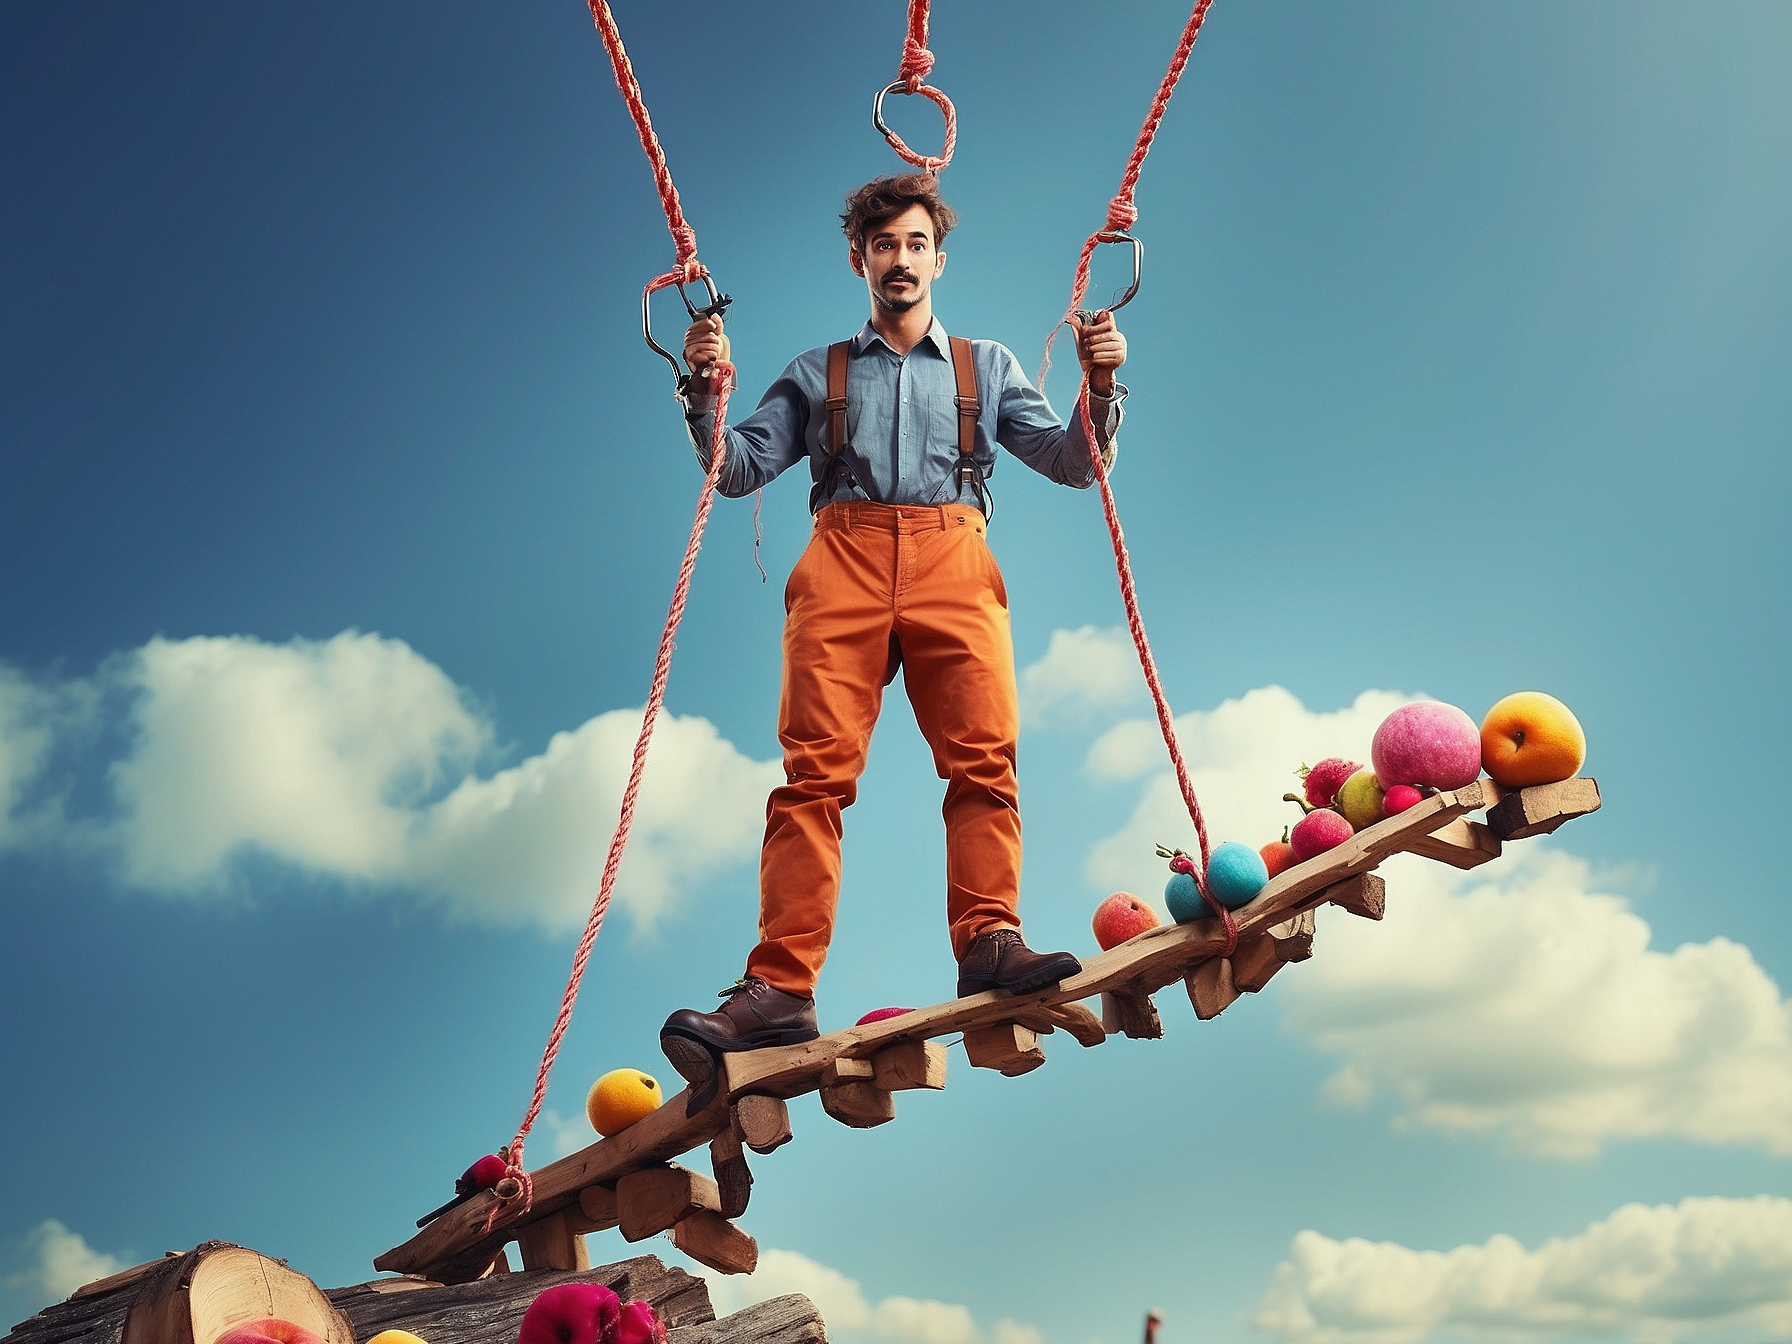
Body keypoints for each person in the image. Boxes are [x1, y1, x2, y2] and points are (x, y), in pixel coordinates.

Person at [659, 173, 1128, 1089]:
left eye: (915, 245)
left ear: (937, 259)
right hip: (844, 556)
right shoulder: (815, 372)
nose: (900, 260)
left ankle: (991, 939)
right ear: (859, 261)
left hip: (956, 553)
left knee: (983, 761)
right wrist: (708, 385)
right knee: (813, 780)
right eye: (884, 246)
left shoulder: (986, 368)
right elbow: (737, 472)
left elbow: (1076, 465)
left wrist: (1101, 379)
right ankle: (779, 989)